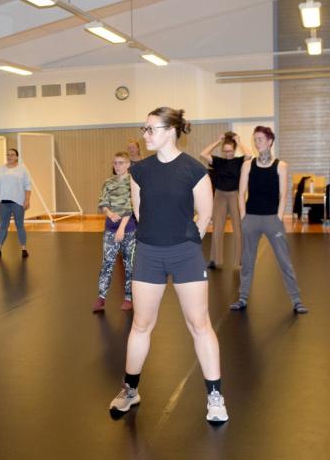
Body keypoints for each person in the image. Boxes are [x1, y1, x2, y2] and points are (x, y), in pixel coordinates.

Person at [109, 108, 228, 424]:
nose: (145, 134)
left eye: (150, 128)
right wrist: (156, 241)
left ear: (171, 130)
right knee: (141, 324)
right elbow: (140, 212)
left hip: (185, 254)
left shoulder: (194, 171)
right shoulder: (140, 172)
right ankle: (131, 390)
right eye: (144, 128)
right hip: (148, 253)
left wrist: (187, 243)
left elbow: (205, 215)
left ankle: (215, 396)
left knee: (199, 324)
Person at [231, 126, 308, 313]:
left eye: (260, 139)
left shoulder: (281, 166)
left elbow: (283, 194)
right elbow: (241, 193)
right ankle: (242, 297)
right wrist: (243, 217)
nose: (257, 143)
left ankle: (296, 300)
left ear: (270, 141)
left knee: (284, 260)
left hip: (273, 219)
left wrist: (279, 217)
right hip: (251, 218)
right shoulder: (248, 165)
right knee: (247, 260)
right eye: (255, 139)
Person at [199, 131, 252, 269]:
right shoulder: (219, 161)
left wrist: (239, 141)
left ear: (234, 150)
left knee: (238, 228)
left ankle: (239, 260)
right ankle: (214, 260)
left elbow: (249, 155)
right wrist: (218, 141)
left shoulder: (239, 161)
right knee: (217, 228)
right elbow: (203, 154)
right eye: (225, 151)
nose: (228, 153)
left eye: (230, 151)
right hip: (220, 196)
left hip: (235, 195)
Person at [93, 152, 136, 313]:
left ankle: (128, 297)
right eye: (115, 163)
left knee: (129, 265)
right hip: (110, 229)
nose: (117, 166)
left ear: (128, 164)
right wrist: (109, 213)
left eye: (121, 163)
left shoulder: (133, 183)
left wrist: (122, 228)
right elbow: (103, 202)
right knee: (107, 263)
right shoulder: (108, 182)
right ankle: (101, 297)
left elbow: (131, 206)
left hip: (129, 229)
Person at [0, 148, 31, 258]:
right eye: (8, 155)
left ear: (17, 157)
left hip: (18, 202)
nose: (9, 156)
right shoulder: (0, 169)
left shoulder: (22, 169)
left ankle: (24, 249)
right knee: (3, 226)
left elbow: (28, 186)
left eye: (12, 155)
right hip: (3, 202)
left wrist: (26, 200)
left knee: (19, 225)